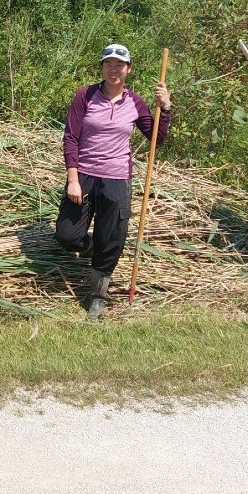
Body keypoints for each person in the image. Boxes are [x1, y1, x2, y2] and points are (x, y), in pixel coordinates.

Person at [56, 43, 171, 320]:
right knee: (66, 235)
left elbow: (158, 138)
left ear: (128, 69)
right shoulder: (85, 96)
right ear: (102, 67)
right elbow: (71, 138)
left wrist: (165, 108)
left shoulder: (136, 102)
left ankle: (98, 296)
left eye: (119, 65)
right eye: (108, 64)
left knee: (112, 238)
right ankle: (88, 247)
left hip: (117, 178)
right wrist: (73, 179)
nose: (113, 69)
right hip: (84, 175)